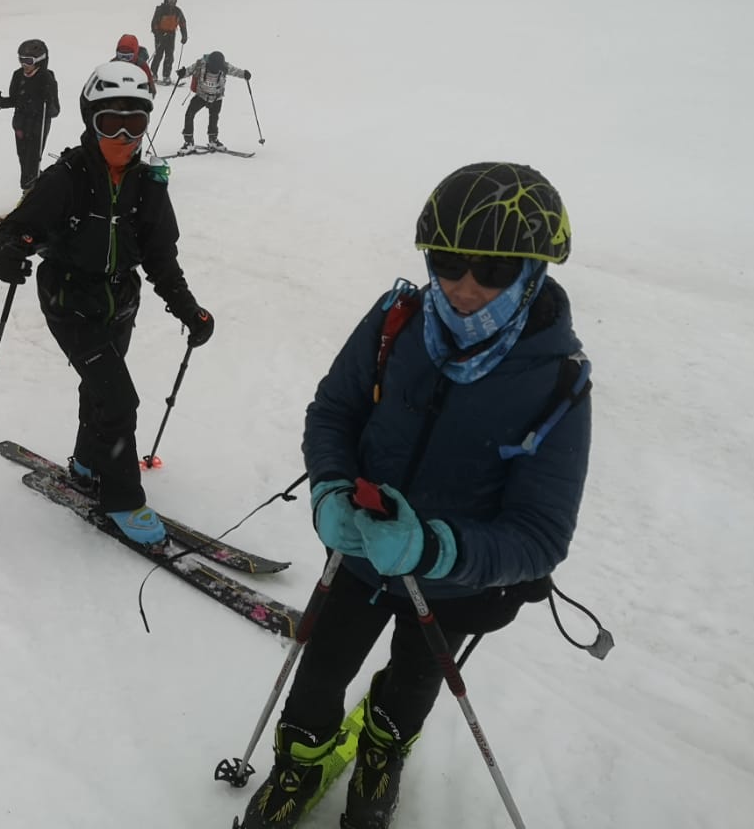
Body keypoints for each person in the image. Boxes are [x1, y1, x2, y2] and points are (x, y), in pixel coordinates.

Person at [239, 161, 588, 829]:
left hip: (456, 585)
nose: (462, 287)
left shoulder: (556, 381)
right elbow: (335, 411)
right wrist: (331, 489)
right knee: (319, 672)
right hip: (362, 552)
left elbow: (542, 534)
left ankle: (380, 757)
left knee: (412, 683)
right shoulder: (399, 319)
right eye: (447, 261)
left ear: (533, 269)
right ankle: (300, 763)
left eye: (491, 269)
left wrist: (434, 547)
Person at [0, 61, 214, 545]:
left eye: (135, 124)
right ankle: (122, 501)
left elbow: (160, 256)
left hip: (120, 303)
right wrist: (11, 251)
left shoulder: (148, 185)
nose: (123, 136)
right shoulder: (66, 177)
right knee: (118, 398)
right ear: (89, 120)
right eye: (109, 122)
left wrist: (187, 309)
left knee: (99, 389)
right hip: (69, 302)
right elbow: (18, 227)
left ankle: (90, 462)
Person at [0, 38, 62, 192]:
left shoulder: (47, 77)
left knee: (32, 160)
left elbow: (55, 110)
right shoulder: (18, 76)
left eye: (28, 61)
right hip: (20, 125)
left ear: (40, 61)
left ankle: (29, 190)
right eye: (21, 60)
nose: (24, 64)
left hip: (38, 125)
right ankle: (35, 187)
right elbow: (15, 100)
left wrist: (44, 101)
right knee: (23, 159)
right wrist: (0, 101)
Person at [178, 49, 250, 151]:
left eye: (217, 68)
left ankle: (213, 140)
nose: (216, 69)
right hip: (201, 96)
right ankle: (188, 141)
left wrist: (244, 74)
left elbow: (235, 71)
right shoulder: (201, 64)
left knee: (214, 118)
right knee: (189, 114)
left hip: (217, 97)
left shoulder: (224, 66)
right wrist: (182, 73)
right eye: (214, 67)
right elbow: (189, 70)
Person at [148, 0, 187, 84]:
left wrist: (184, 35)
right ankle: (153, 74)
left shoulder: (177, 11)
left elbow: (182, 23)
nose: (172, 1)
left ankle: (166, 75)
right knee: (158, 55)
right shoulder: (160, 9)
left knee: (169, 56)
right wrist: (158, 35)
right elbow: (154, 24)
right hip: (161, 35)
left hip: (171, 35)